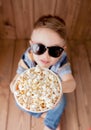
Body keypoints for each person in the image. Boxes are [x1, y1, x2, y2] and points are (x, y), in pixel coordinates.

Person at [10, 15, 76, 130]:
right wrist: (14, 87)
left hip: (54, 92)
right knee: (17, 103)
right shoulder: (28, 58)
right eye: (39, 48)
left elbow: (71, 84)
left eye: (55, 50)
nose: (45, 56)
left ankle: (50, 123)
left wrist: (57, 88)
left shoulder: (61, 61)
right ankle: (43, 114)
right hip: (32, 93)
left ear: (63, 50)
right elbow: (16, 80)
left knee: (60, 103)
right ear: (31, 45)